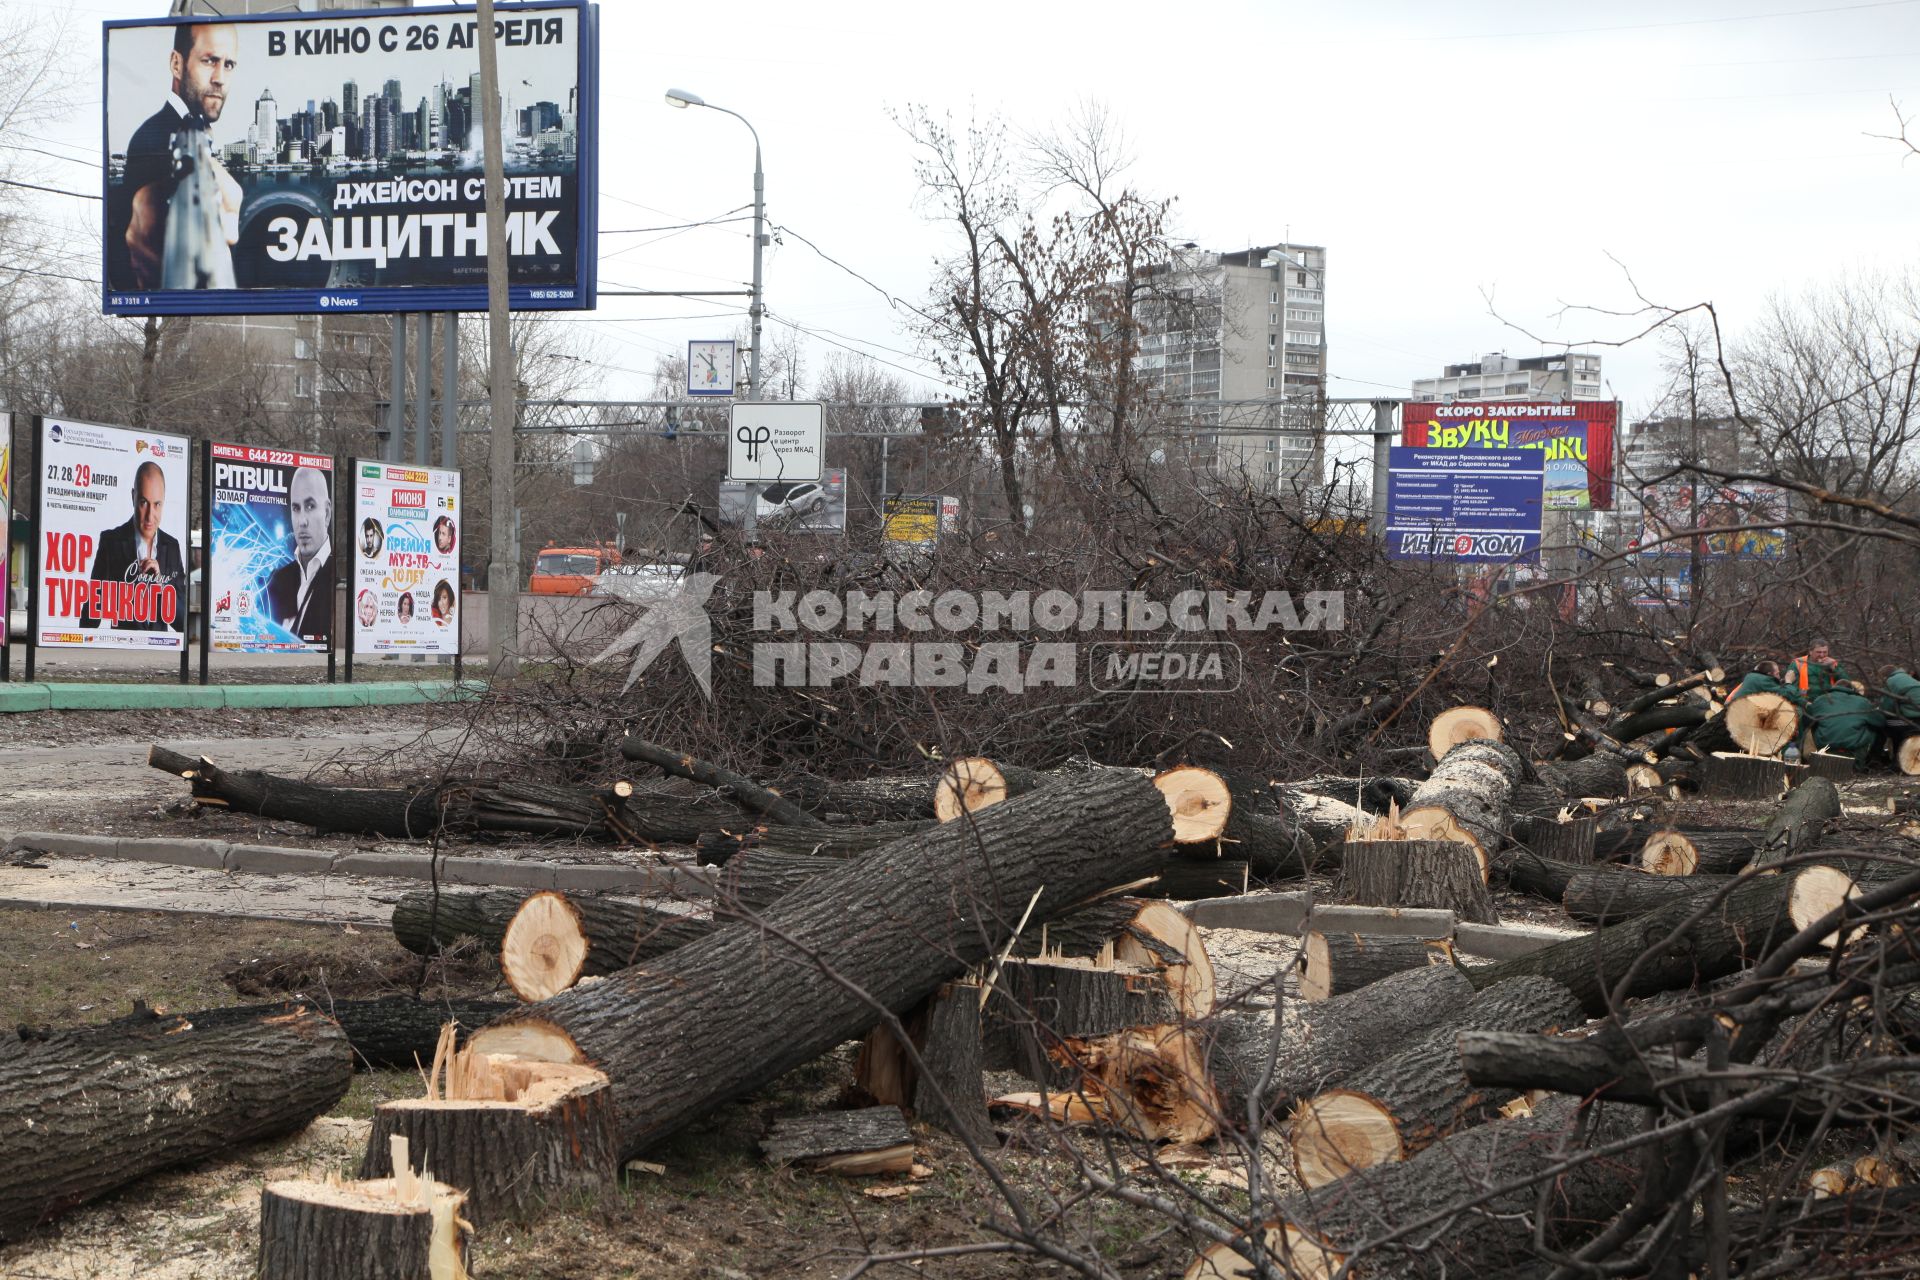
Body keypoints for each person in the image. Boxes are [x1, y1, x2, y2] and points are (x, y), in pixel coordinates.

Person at [112, 23, 243, 291]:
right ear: (176, 64)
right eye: (210, 61)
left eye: (229, 65)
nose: (220, 77)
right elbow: (133, 236)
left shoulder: (190, 131)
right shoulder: (152, 138)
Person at [82, 460, 187, 633]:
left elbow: (182, 622)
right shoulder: (111, 542)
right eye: (143, 503)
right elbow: (92, 610)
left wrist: (161, 587)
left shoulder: (172, 546)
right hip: (124, 653)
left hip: (160, 652)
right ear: (133, 497)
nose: (150, 516)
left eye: (157, 504)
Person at [265, 465, 332, 642]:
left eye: (310, 506)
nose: (302, 521)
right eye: (296, 508)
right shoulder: (278, 580)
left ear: (326, 514)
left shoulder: (337, 574)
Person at [1808, 680, 1888, 769]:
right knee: (1876, 728)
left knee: (1814, 724)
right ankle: (1873, 761)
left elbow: (1807, 719)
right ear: (1852, 689)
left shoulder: (1820, 700)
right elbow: (1881, 722)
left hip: (1825, 749)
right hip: (1853, 752)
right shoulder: (1862, 702)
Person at [1729, 660, 1799, 706]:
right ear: (1769, 674)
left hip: (1733, 709)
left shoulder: (1753, 677)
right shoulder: (1764, 681)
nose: (1779, 677)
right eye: (1777, 674)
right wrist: (1789, 682)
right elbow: (1787, 696)